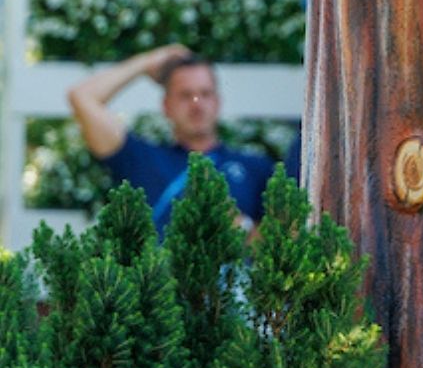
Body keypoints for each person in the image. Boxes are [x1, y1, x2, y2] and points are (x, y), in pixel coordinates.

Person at [66, 45, 277, 234]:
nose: (197, 104)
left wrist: (241, 227)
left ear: (218, 102)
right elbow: (81, 97)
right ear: (166, 106)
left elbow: (285, 246)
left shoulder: (255, 168)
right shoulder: (141, 160)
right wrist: (146, 62)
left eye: (205, 94)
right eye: (186, 95)